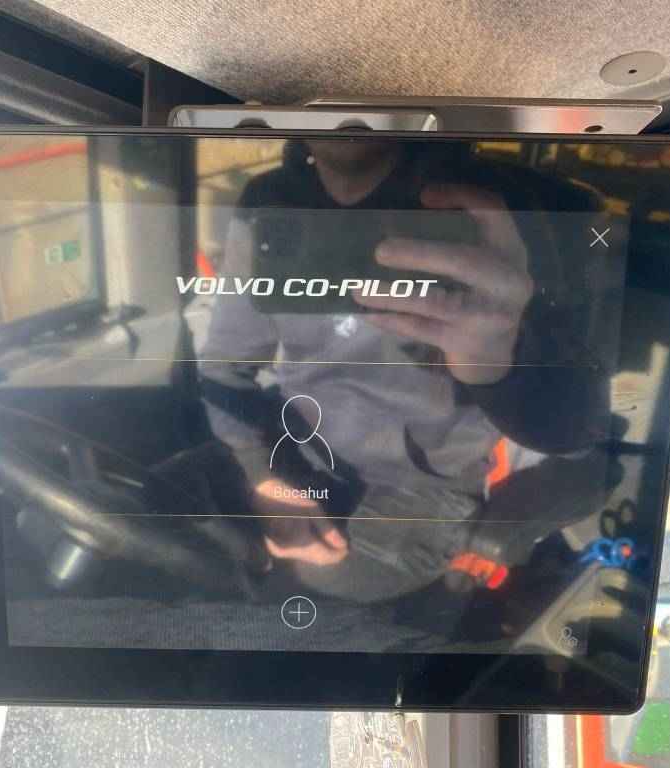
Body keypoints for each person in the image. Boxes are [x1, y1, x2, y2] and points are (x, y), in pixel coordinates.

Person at [197, 138, 613, 603]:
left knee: (287, 599)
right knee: (170, 521)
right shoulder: (268, 201)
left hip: (417, 488)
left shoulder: (502, 207)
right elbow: (224, 365)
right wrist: (263, 473)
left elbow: (576, 435)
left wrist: (499, 362)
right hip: (288, 445)